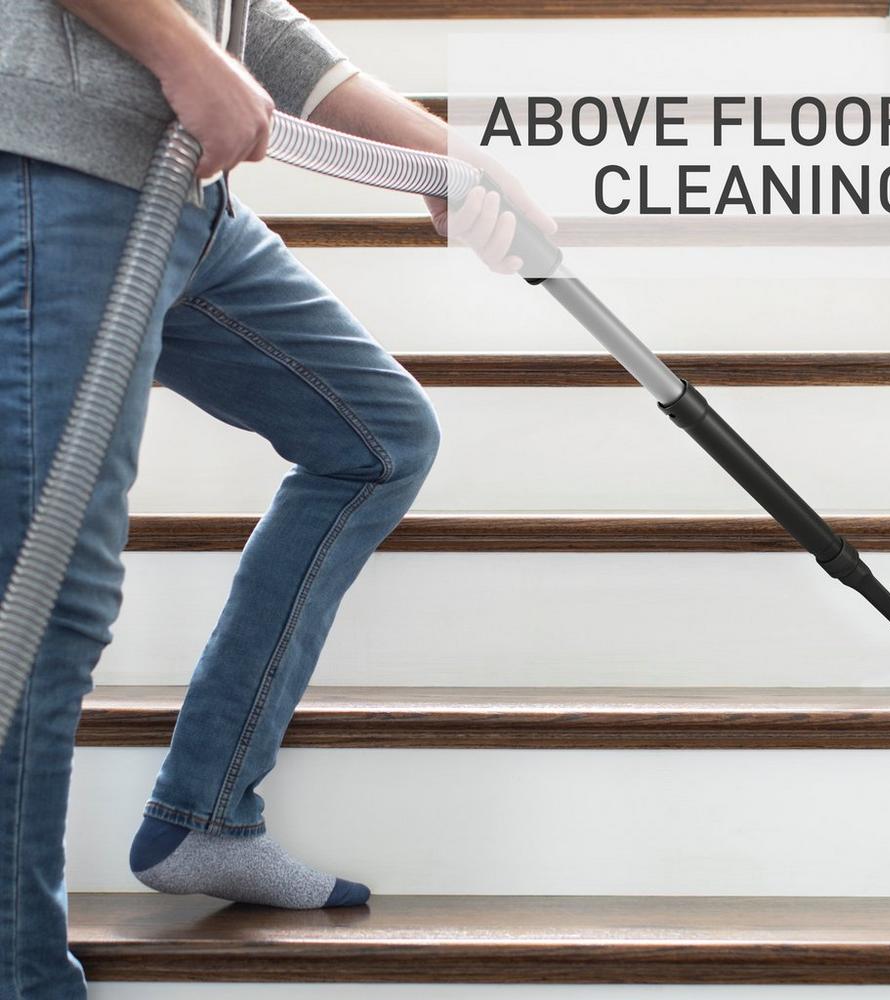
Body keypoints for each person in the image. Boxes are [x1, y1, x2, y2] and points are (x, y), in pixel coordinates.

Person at [0, 1, 555, 996]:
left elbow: (251, 19)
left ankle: (206, 813)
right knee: (45, 592)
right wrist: (179, 51)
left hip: (186, 197)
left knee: (377, 439)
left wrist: (452, 159)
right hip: (63, 168)